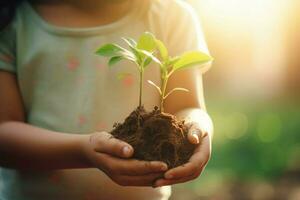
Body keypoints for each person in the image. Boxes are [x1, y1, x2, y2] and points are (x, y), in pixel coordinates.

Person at [0, 0, 213, 199]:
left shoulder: (171, 16)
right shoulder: (11, 20)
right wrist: (82, 151)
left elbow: (188, 107)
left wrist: (198, 128)